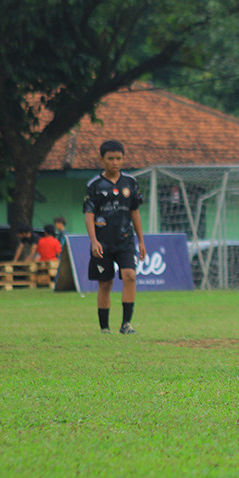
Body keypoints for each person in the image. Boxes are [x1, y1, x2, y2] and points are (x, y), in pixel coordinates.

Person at [83, 140, 146, 334]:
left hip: (125, 240)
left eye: (118, 158)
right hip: (103, 242)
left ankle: (126, 324)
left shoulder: (130, 183)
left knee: (130, 276)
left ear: (123, 159)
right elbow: (89, 215)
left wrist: (141, 240)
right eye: (110, 159)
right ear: (102, 159)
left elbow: (134, 212)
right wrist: (94, 241)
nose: (115, 162)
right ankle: (104, 328)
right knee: (105, 283)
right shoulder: (94, 185)